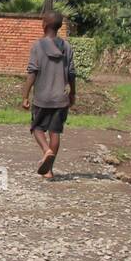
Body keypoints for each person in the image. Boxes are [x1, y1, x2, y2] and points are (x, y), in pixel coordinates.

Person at [22, 10, 76, 179]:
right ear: (59, 27)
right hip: (60, 99)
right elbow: (72, 73)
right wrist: (73, 93)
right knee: (55, 132)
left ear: (44, 25)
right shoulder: (66, 47)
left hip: (42, 98)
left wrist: (25, 95)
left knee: (37, 128)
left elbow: (32, 72)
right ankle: (49, 170)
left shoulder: (38, 46)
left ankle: (46, 151)